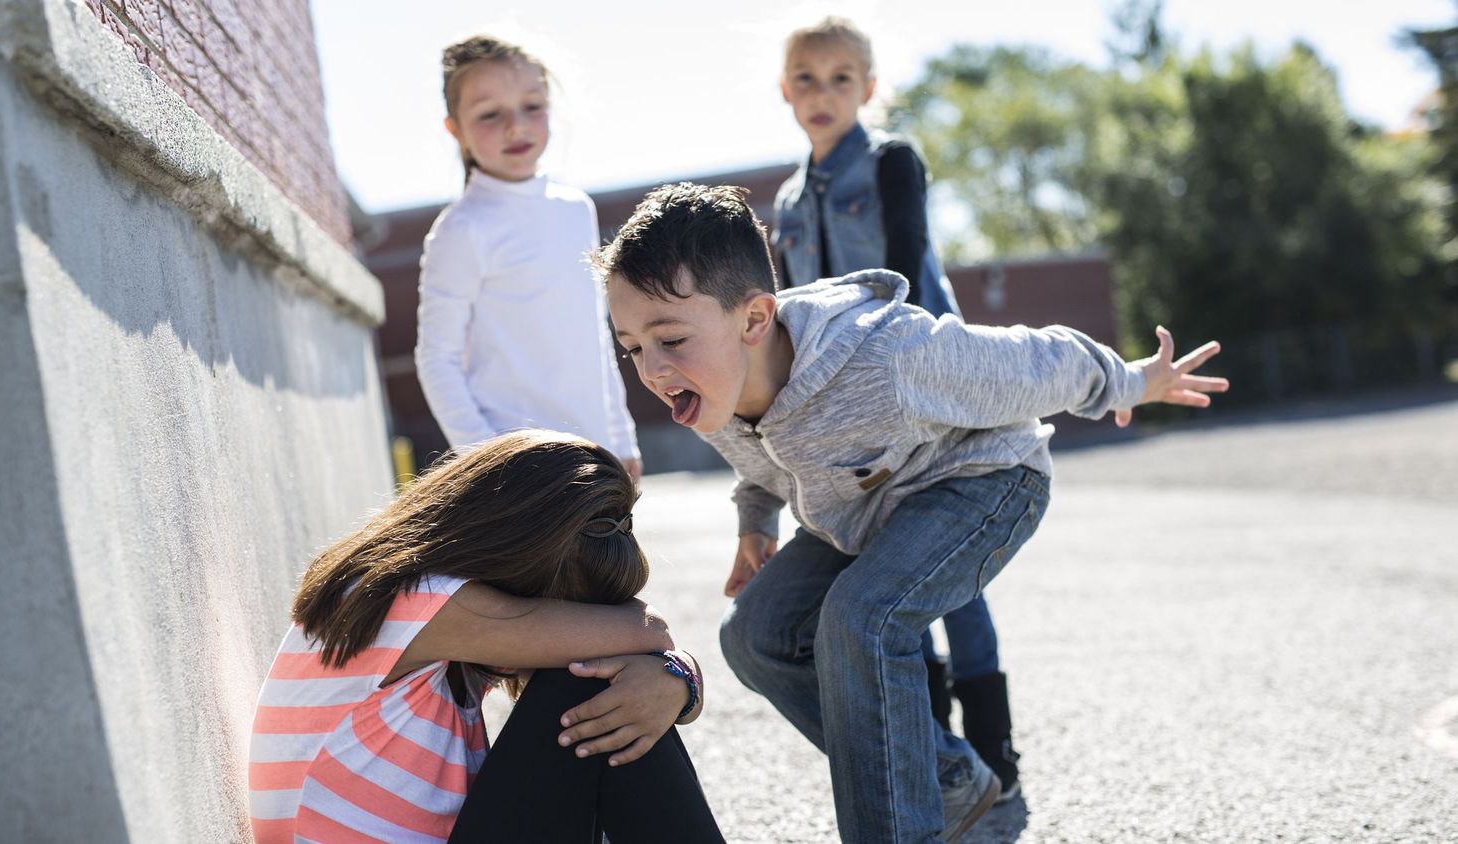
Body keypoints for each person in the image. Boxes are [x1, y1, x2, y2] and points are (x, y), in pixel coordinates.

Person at [598, 183, 1228, 843]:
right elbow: (759, 460)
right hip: (866, 509)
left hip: (984, 482)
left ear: (755, 319)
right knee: (754, 635)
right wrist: (755, 522)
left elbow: (1037, 360)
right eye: (632, 347)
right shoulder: (707, 384)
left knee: (861, 619)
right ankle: (946, 778)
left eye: (669, 338)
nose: (653, 369)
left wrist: (1130, 382)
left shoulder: (886, 357)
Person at [247, 430, 725, 843]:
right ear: (516, 553)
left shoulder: (433, 611)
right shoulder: (414, 598)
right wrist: (669, 667)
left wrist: (676, 678)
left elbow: (649, 647)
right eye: (563, 608)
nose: (564, 624)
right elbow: (651, 631)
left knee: (614, 691)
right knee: (588, 681)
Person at [769, 16, 1017, 799]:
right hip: (845, 415)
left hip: (927, 393)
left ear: (869, 89)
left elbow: (906, 265)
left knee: (954, 579)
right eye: (807, 78)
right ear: (785, 90)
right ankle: (941, 760)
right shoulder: (785, 199)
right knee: (887, 571)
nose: (823, 93)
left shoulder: (890, 162)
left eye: (842, 78)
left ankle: (996, 756)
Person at [415, 36, 641, 481]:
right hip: (518, 471)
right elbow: (436, 358)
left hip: (596, 457)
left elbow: (595, 336)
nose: (515, 126)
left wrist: (621, 438)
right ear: (455, 129)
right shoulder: (462, 229)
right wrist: (487, 459)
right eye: (489, 114)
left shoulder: (576, 208)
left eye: (531, 106)